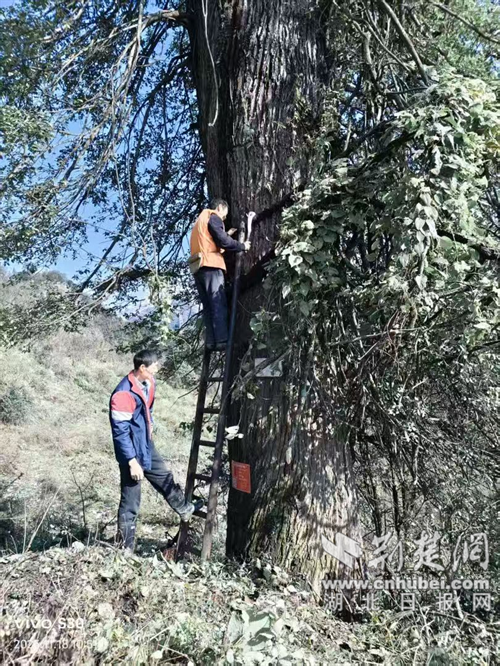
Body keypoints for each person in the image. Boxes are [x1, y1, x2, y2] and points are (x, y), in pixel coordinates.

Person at [109, 349, 202, 551]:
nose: (157, 368)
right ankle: (125, 549)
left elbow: (147, 408)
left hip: (145, 444)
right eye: (154, 365)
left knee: (163, 476)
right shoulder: (123, 393)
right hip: (130, 450)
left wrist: (149, 425)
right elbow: (120, 433)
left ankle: (184, 508)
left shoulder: (149, 382)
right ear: (142, 367)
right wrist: (132, 462)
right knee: (131, 499)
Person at [189, 198, 251, 351]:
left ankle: (211, 341)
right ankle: (223, 339)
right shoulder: (213, 217)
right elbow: (223, 241)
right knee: (218, 302)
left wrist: (226, 234)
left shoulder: (200, 222)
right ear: (220, 208)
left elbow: (210, 242)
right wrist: (241, 245)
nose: (224, 218)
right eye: (224, 214)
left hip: (199, 267)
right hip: (211, 265)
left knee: (208, 306)